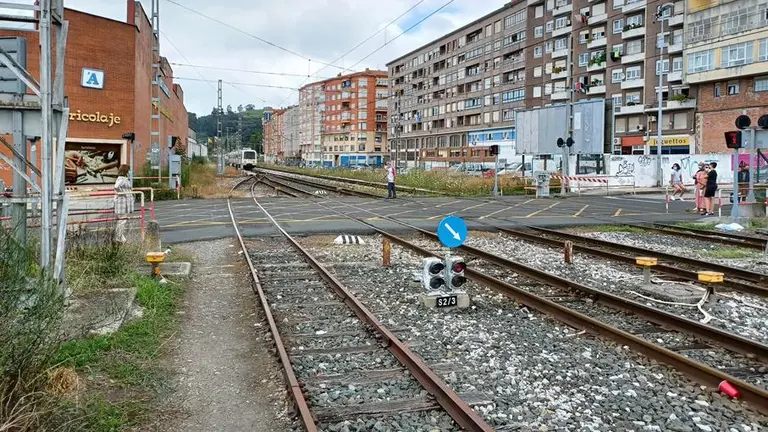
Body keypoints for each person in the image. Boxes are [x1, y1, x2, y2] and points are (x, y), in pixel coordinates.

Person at [113, 164, 133, 243]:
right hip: (122, 203)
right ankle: (119, 238)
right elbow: (116, 187)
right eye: (129, 170)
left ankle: (120, 237)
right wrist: (123, 193)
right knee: (122, 220)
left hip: (124, 203)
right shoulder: (122, 179)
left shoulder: (123, 179)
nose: (130, 172)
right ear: (126, 171)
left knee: (122, 220)